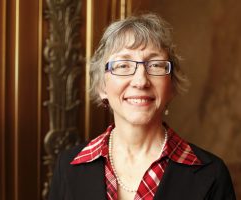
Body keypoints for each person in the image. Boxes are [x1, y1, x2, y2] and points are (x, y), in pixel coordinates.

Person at [48, 13, 236, 200]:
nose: (140, 81)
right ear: (101, 86)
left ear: (172, 86)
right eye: (123, 66)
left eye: (155, 65)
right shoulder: (67, 167)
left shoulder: (213, 175)